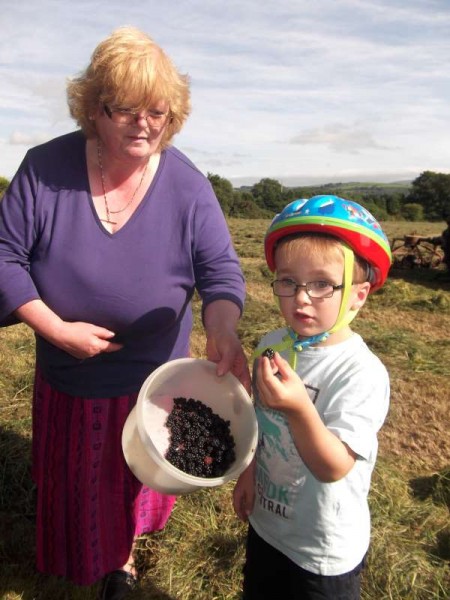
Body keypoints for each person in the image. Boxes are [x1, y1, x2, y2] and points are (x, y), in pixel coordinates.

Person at [0, 26, 250, 599]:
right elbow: (5, 254)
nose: (143, 125)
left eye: (157, 112)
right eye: (125, 110)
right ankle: (70, 558)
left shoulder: (186, 185)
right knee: (74, 481)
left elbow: (219, 272)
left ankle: (123, 561)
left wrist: (223, 331)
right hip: (68, 374)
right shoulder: (44, 168)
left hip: (152, 381)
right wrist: (53, 327)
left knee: (132, 481)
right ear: (93, 110)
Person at [233, 195, 392, 600]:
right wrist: (248, 473)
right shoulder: (270, 345)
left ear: (358, 295)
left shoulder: (360, 373)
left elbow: (334, 467)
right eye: (288, 281)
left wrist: (300, 407)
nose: (301, 297)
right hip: (268, 527)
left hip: (322, 550)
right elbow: (256, 421)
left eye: (321, 283)